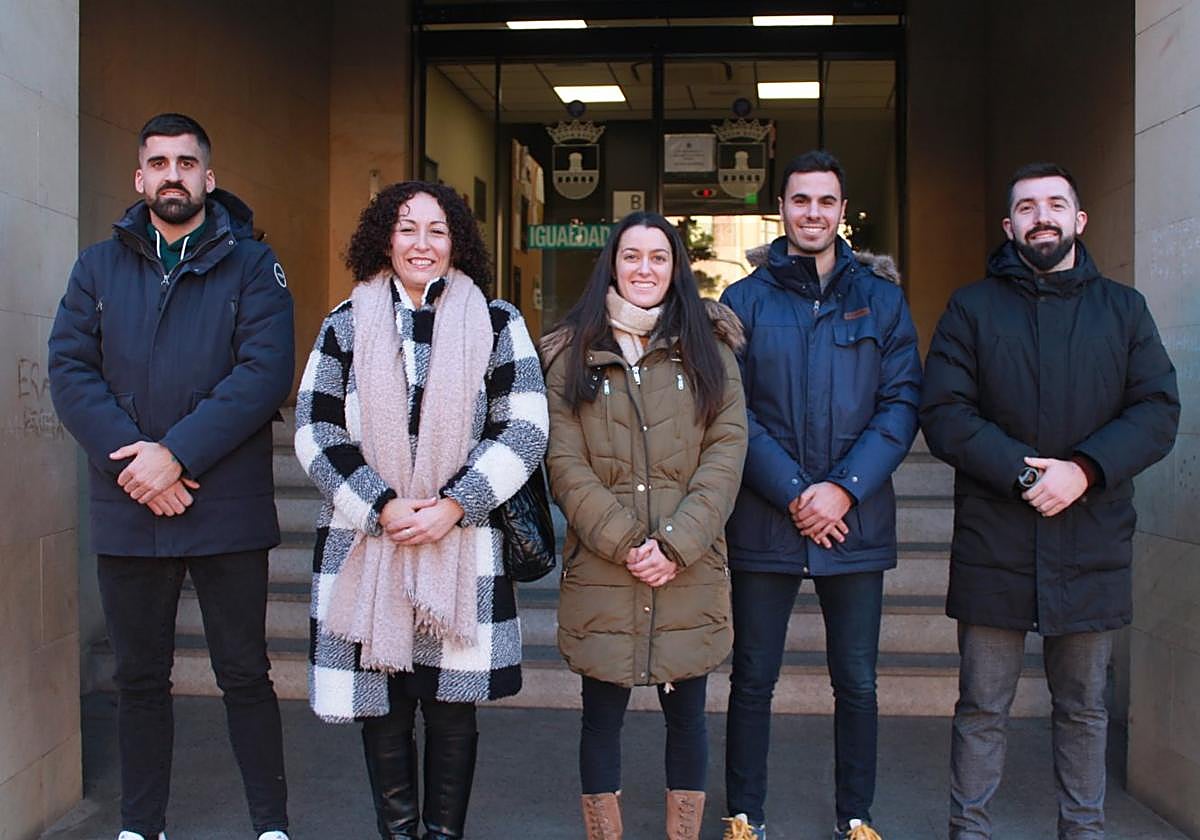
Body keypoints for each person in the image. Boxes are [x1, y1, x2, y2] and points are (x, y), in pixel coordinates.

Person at [47, 113, 294, 840]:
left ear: (208, 178)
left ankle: (270, 825)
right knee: (139, 679)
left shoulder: (253, 264)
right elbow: (70, 372)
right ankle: (140, 824)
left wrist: (175, 456)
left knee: (244, 673)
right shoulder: (97, 267)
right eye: (159, 163)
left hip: (225, 504)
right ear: (140, 178)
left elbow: (263, 373)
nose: (173, 175)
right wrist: (139, 463)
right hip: (130, 502)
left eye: (186, 162)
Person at [920, 162, 1180, 840]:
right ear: (1009, 227)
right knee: (982, 707)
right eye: (1027, 207)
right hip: (996, 541)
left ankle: (1083, 831)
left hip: (1091, 539)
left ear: (1078, 220)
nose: (1042, 217)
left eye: (1055, 205)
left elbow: (1157, 410)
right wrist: (1025, 475)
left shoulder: (1124, 310)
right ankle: (969, 831)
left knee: (1085, 707)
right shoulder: (971, 308)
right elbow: (944, 412)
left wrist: (1085, 471)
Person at [295, 180, 549, 839]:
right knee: (381, 704)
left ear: (456, 242)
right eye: (407, 228)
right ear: (385, 239)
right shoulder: (344, 322)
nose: (421, 243)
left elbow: (523, 429)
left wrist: (455, 505)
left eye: (437, 230)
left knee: (450, 706)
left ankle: (443, 835)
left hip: (460, 540)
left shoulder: (498, 322)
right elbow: (316, 428)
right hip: (367, 538)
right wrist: (379, 505)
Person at [718, 150, 922, 840]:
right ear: (781, 208)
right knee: (752, 678)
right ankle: (744, 817)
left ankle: (856, 818)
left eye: (825, 201)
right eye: (800, 200)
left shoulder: (883, 301)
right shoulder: (742, 301)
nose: (813, 213)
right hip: (765, 518)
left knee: (857, 682)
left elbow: (901, 404)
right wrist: (797, 492)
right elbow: (732, 413)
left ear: (842, 210)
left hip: (854, 519)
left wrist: (843, 490)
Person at [540, 211, 748, 840]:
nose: (645, 269)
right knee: (601, 718)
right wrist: (629, 542)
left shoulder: (708, 349)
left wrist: (676, 545)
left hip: (688, 569)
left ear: (676, 268)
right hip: (605, 567)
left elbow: (727, 451)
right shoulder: (573, 353)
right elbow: (563, 461)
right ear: (612, 264)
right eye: (631, 256)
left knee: (687, 717)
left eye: (659, 257)